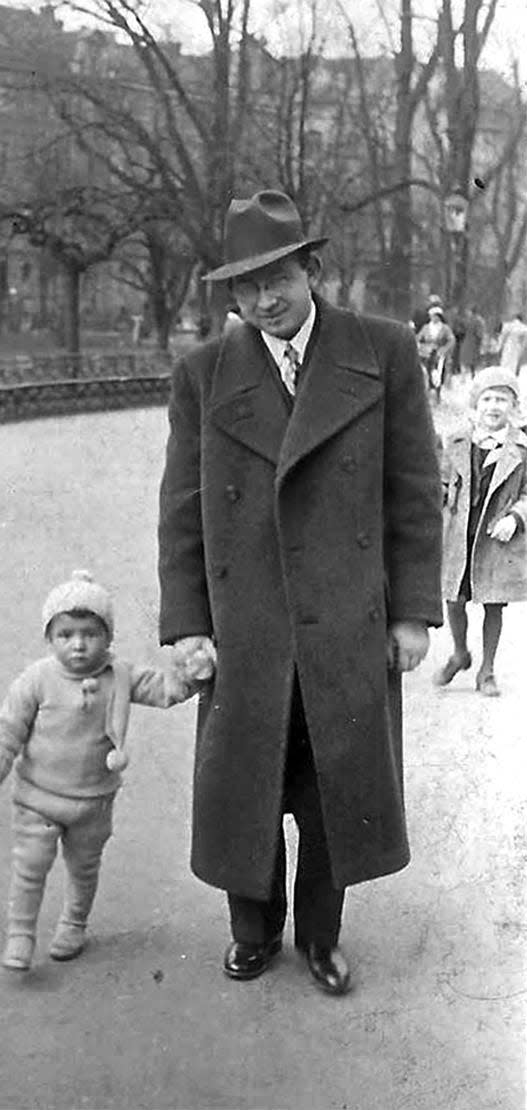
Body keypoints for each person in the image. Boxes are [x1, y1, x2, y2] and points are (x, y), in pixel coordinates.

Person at [157, 190, 442, 996]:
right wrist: (184, 625)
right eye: (243, 289)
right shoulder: (204, 373)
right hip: (244, 623)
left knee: (331, 790)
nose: (260, 301)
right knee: (247, 780)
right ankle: (253, 932)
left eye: (275, 279)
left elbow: (413, 489)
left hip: (346, 617)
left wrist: (414, 611)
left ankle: (320, 937)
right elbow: (180, 508)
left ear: (312, 269)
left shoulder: (381, 352)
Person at [0, 570, 210, 972]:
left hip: (93, 802)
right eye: (66, 634)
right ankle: (21, 933)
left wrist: (195, 671)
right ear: (50, 639)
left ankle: (74, 925)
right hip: (38, 799)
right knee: (30, 867)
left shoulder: (120, 676)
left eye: (90, 633)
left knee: (84, 869)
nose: (79, 645)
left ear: (108, 637)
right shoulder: (37, 680)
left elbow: (165, 690)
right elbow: (7, 729)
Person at [433, 366, 527, 697]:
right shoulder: (455, 441)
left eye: (502, 400)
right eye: (487, 398)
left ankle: (487, 670)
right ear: (475, 404)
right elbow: (440, 482)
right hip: (458, 531)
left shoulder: (522, 449)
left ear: (514, 407)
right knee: (453, 598)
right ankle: (460, 653)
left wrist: (515, 517)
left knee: (493, 602)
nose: (493, 406)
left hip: (495, 537)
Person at [416, 305, 456, 396]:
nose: (433, 318)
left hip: (439, 355)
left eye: (435, 316)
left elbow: (452, 340)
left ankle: (438, 393)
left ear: (439, 317)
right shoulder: (426, 327)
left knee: (438, 373)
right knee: (427, 372)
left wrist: (444, 349)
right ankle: (428, 391)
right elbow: (418, 339)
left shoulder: (445, 328)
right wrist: (422, 347)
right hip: (426, 354)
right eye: (431, 316)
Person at [459, 306, 486, 377]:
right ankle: (472, 375)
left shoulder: (469, 320)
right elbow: (480, 334)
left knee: (467, 359)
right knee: (473, 360)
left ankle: (465, 375)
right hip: (473, 342)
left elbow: (462, 330)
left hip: (468, 341)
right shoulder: (479, 321)